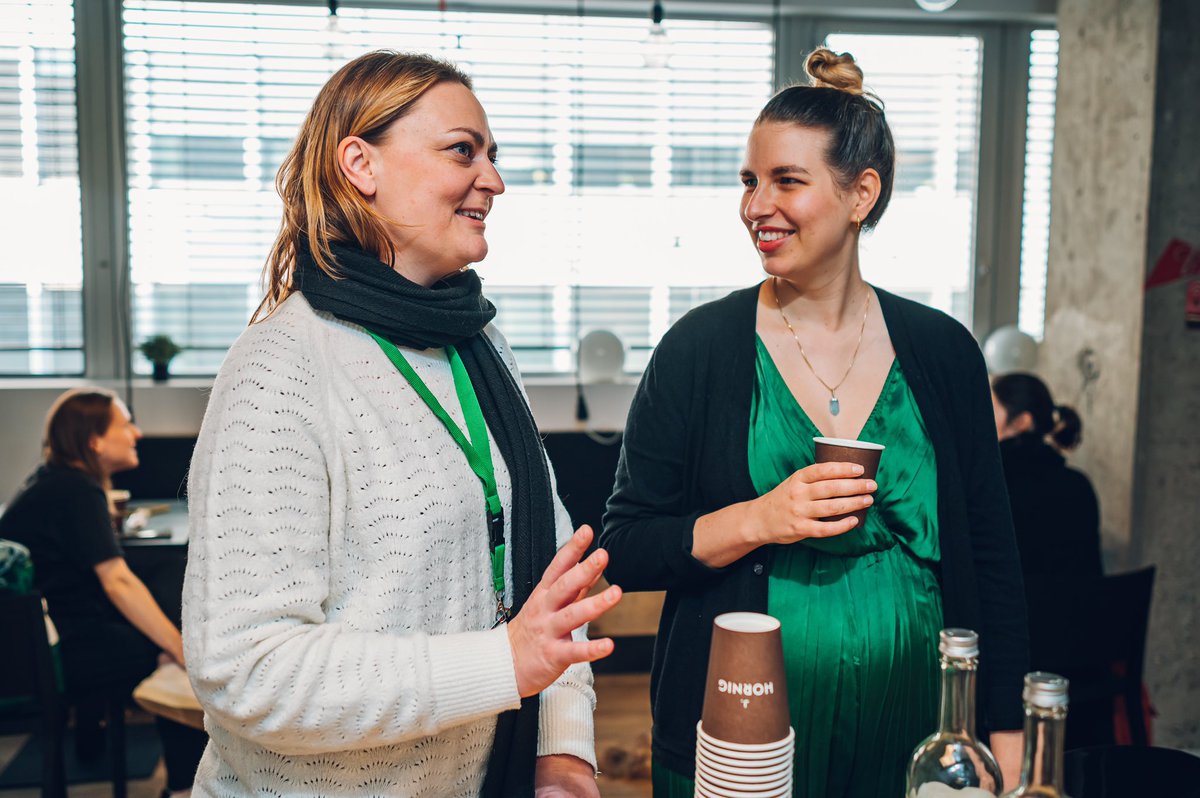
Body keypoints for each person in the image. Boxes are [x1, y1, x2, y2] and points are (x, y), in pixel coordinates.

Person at [182, 51, 620, 798]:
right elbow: (246, 669)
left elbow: (552, 574)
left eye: (493, 155)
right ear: (360, 163)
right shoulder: (281, 368)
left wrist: (563, 746)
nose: (494, 179)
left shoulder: (478, 344)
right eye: (462, 150)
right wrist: (501, 664)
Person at [600, 49, 1028, 797]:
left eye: (786, 181)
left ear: (861, 193)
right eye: (749, 180)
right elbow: (626, 546)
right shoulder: (699, 350)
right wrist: (759, 518)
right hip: (743, 742)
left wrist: (1004, 734)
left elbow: (991, 557)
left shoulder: (942, 351)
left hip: (919, 736)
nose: (755, 205)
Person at [0, 387, 207, 797]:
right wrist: (180, 647)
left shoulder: (52, 482)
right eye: (125, 423)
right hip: (58, 656)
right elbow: (117, 581)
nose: (137, 433)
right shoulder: (76, 491)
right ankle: (186, 785)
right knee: (176, 646)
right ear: (94, 440)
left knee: (165, 598)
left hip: (38, 645)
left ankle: (183, 780)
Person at [991, 372, 1102, 580]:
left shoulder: (994, 485)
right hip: (1075, 611)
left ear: (1022, 421)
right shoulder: (1078, 484)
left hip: (1023, 611)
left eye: (989, 410)